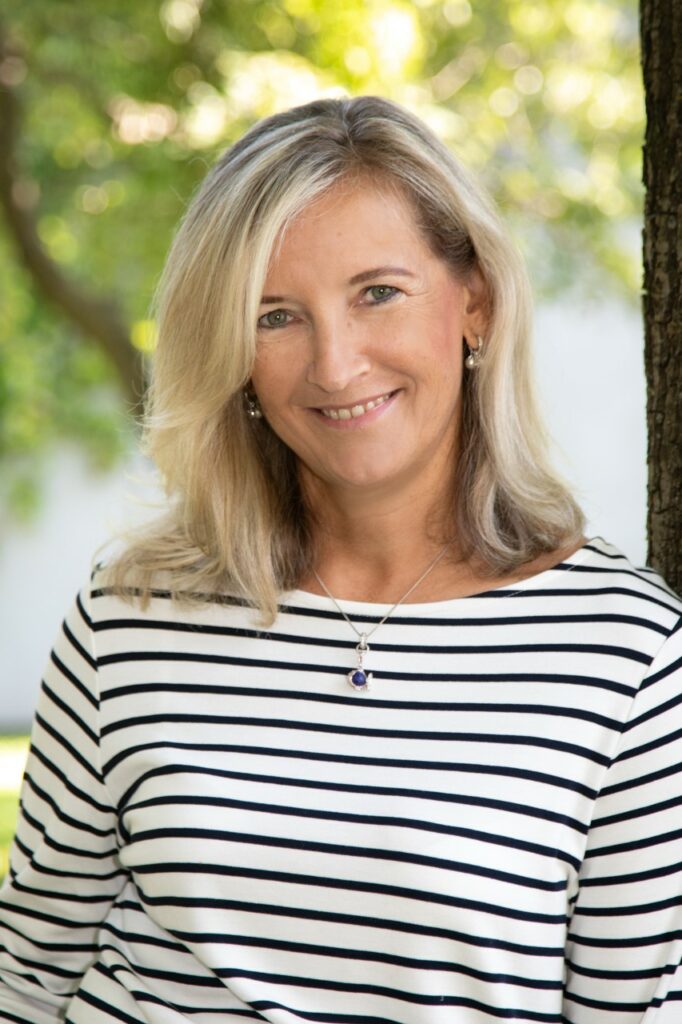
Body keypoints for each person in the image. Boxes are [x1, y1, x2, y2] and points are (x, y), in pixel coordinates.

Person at [0, 96, 680, 1024]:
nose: (334, 364)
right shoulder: (131, 611)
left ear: (475, 302)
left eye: (377, 293)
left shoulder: (627, 653)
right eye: (276, 315)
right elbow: (25, 978)